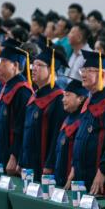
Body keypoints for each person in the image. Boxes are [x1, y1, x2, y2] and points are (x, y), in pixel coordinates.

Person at [70, 50, 105, 195]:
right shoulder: (91, 98)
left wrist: (102, 171)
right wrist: (74, 167)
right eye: (83, 70)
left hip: (98, 175)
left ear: (103, 74)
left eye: (89, 70)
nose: (83, 74)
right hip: (81, 171)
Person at [20, 45, 67, 176]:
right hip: (28, 161)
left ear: (51, 70)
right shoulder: (35, 95)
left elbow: (57, 134)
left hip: (43, 164)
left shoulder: (58, 98)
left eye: (39, 65)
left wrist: (49, 164)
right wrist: (20, 160)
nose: (34, 68)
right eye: (33, 65)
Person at [0, 41, 34, 175]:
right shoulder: (7, 86)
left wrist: (15, 155)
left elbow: (21, 127)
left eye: (3, 61)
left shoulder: (23, 91)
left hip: (12, 157)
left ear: (15, 65)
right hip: (2, 152)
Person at [53, 80, 89, 188]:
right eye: (63, 95)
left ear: (80, 98)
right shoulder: (68, 118)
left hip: (73, 181)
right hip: (60, 178)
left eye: (67, 95)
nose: (63, 99)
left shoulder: (84, 121)